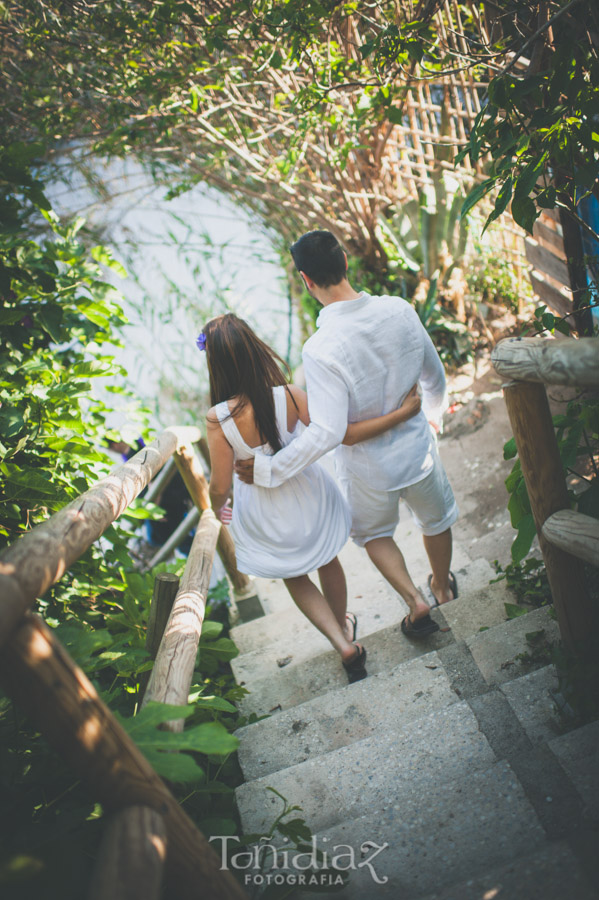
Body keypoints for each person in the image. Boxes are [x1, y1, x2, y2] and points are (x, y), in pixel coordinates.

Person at [235, 230, 459, 638]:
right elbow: (434, 378)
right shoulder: (400, 310)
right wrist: (431, 417)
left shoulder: (320, 349)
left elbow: (329, 433)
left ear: (306, 280)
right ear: (345, 264)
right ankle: (442, 588)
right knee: (436, 519)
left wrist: (270, 469)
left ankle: (415, 601)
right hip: (418, 450)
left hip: (369, 471)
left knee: (375, 535)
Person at [200, 314, 423, 682]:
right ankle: (342, 623)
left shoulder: (218, 418)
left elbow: (219, 484)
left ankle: (342, 643)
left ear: (216, 365)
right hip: (310, 496)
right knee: (327, 560)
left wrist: (216, 506)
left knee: (294, 575)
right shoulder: (290, 394)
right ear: (256, 350)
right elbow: (332, 431)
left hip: (265, 512)